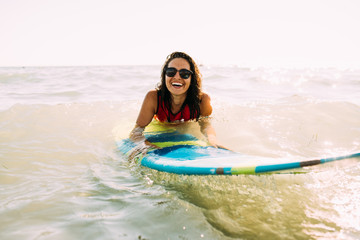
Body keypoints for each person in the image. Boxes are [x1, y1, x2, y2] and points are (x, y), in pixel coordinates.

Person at [130, 51, 222, 149]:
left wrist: (212, 140)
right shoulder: (153, 98)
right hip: (160, 128)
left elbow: (205, 125)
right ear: (164, 75)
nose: (177, 77)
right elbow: (137, 131)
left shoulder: (202, 100)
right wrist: (144, 146)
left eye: (184, 73)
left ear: (192, 78)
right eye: (171, 72)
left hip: (186, 131)